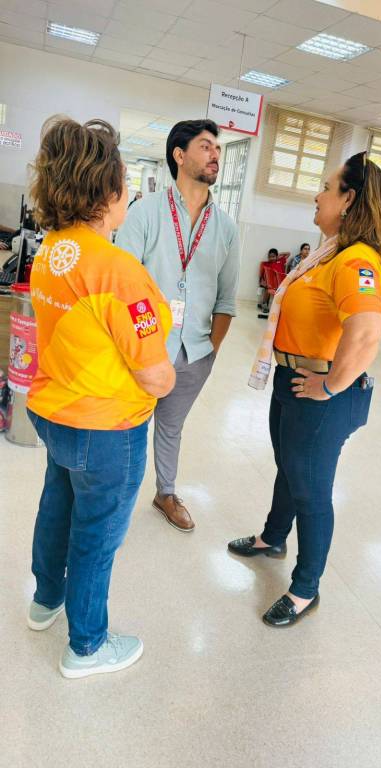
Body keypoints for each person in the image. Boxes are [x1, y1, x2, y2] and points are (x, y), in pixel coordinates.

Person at [26, 116, 175, 678]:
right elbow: (155, 376)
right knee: (97, 535)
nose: (128, 191)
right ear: (107, 189)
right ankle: (87, 646)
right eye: (124, 179)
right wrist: (167, 374)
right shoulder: (118, 272)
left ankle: (45, 600)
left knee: (57, 507)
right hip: (107, 427)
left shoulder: (52, 250)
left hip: (56, 411)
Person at [229, 152, 381, 627]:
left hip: (321, 393)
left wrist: (331, 385)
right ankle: (272, 538)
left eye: (326, 187)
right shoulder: (330, 252)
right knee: (290, 467)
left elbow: (366, 331)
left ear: (348, 199)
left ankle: (306, 588)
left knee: (310, 488)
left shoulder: (356, 260)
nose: (317, 195)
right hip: (293, 380)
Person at [117, 119, 240, 532]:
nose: (215, 154)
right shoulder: (145, 212)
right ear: (179, 155)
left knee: (171, 427)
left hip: (195, 353)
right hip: (144, 348)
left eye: (217, 148)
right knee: (130, 427)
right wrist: (140, 347)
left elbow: (226, 300)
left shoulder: (225, 228)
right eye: (206, 146)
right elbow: (124, 287)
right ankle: (117, 499)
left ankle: (165, 493)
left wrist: (210, 353)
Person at [257, 248, 287, 318]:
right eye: (270, 257)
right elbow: (262, 276)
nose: (271, 258)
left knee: (280, 291)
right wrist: (263, 282)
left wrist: (280, 254)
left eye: (273, 256)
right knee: (268, 289)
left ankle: (278, 308)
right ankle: (264, 304)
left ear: (276, 256)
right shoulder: (266, 264)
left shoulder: (280, 261)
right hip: (270, 283)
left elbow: (288, 254)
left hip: (280, 283)